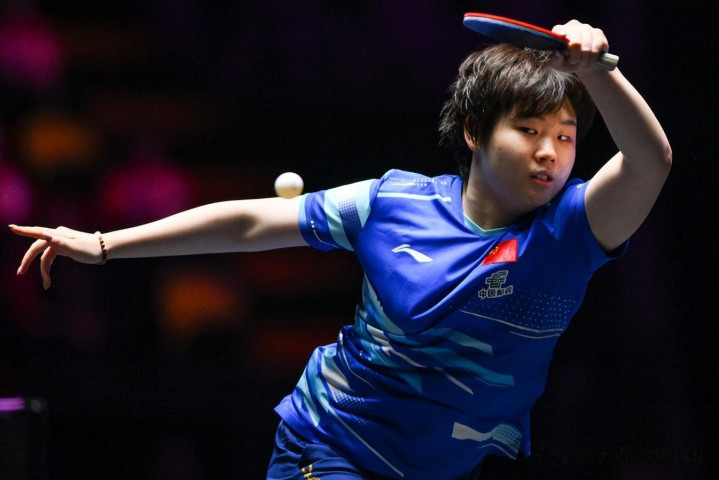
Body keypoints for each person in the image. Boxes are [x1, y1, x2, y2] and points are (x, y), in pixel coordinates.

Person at [9, 20, 670, 480]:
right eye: (527, 130)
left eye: (564, 136)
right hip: (332, 446)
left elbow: (650, 161)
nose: (549, 152)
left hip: (445, 469)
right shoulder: (392, 204)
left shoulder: (572, 230)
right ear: (473, 131)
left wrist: (597, 74)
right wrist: (104, 244)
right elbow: (252, 222)